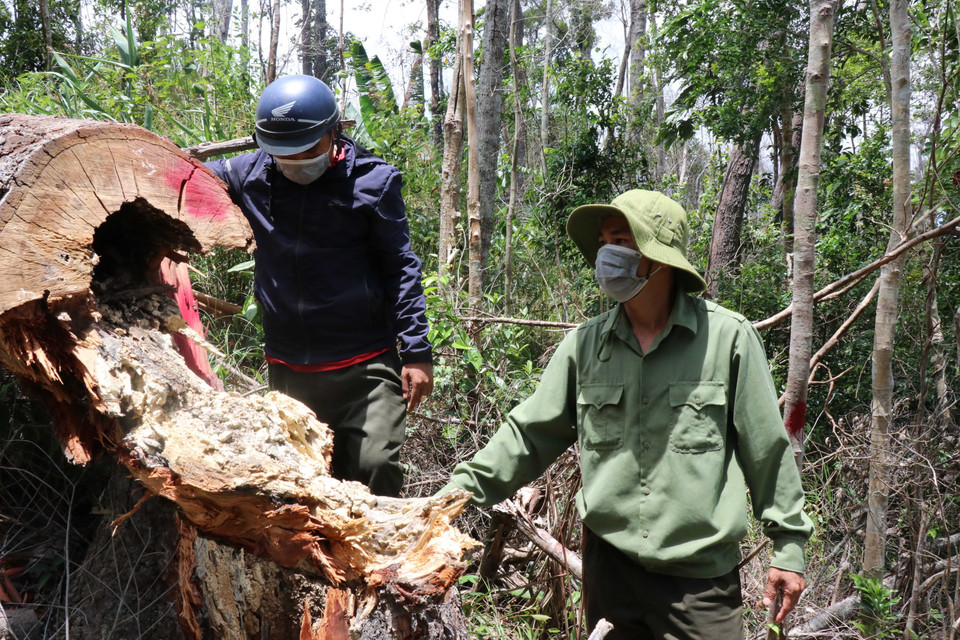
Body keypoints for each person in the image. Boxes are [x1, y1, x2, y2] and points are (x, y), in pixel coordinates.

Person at [442, 190, 813, 639]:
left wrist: (788, 548)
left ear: (658, 253)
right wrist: (451, 497)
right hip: (610, 573)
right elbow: (527, 437)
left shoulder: (727, 340)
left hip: (698, 583)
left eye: (619, 239)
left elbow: (767, 451)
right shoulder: (586, 346)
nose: (605, 254)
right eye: (602, 242)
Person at [206, 75, 433, 497]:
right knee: (304, 485)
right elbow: (188, 179)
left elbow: (401, 267)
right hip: (290, 371)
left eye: (308, 149)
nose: (295, 162)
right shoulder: (250, 174)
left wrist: (417, 352)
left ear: (334, 132)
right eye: (282, 154)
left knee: (374, 468)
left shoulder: (373, 183)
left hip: (364, 368)